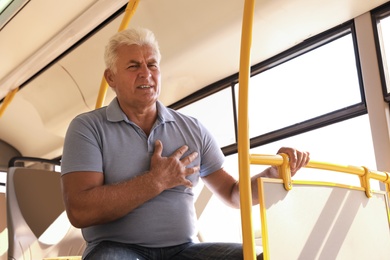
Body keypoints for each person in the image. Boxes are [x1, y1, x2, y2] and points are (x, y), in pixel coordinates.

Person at [60, 27, 310, 260]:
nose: (145, 73)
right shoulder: (88, 128)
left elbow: (234, 194)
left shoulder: (192, 129)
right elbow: (81, 211)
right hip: (116, 248)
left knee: (259, 256)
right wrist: (155, 181)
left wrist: (272, 174)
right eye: (133, 66)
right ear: (111, 77)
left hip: (183, 251)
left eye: (152, 65)